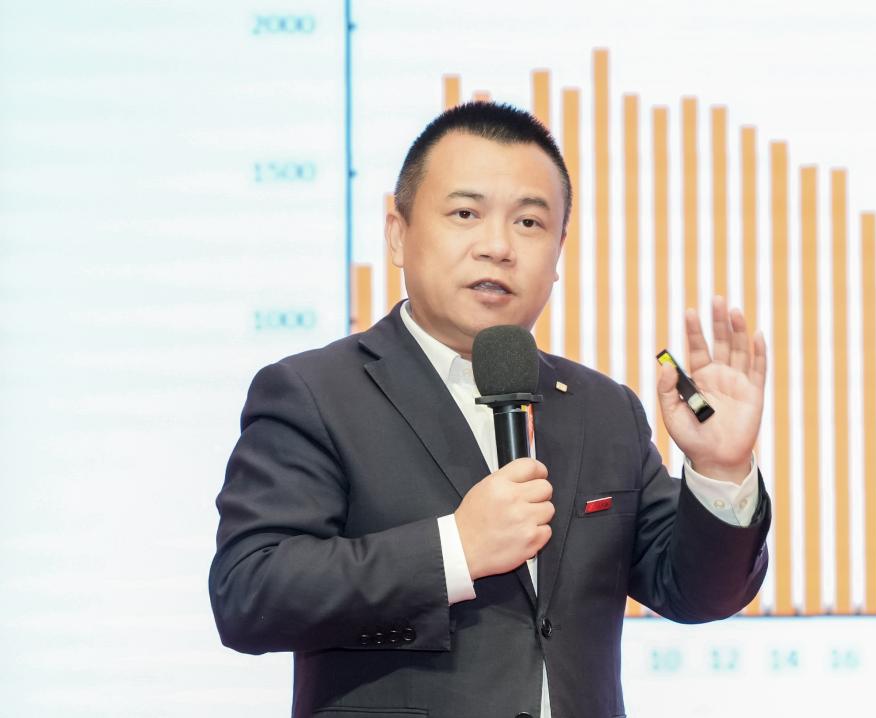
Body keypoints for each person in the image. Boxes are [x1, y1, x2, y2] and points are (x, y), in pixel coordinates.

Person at [210, 102, 771, 718]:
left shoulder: (603, 408)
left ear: (557, 254)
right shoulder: (314, 393)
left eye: (529, 222)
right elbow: (249, 593)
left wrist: (721, 470)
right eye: (466, 214)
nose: (498, 247)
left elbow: (699, 592)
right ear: (397, 233)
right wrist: (456, 549)